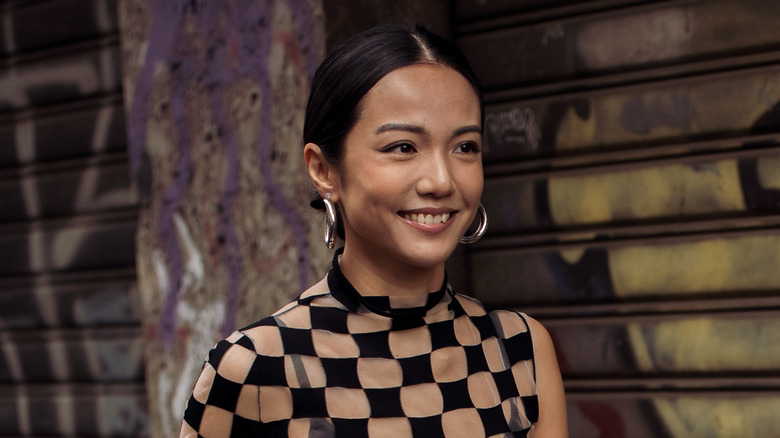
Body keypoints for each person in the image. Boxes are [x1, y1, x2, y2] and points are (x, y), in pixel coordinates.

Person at [179, 24, 568, 437]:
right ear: (323, 170)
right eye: (403, 147)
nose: (440, 181)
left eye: (465, 147)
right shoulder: (255, 367)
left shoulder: (519, 348)